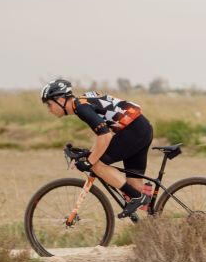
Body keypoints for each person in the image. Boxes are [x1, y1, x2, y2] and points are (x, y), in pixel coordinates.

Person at [41, 79, 154, 218]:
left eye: (49, 104)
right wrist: (90, 154)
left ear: (60, 99)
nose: (49, 109)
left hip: (134, 131)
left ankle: (138, 198)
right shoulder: (82, 102)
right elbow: (100, 134)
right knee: (134, 185)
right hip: (140, 128)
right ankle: (155, 221)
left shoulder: (80, 107)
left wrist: (90, 161)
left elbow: (105, 136)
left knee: (97, 165)